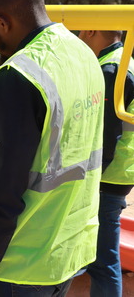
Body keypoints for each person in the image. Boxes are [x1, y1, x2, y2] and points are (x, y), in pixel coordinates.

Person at [0, 0, 105, 297]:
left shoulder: (18, 76)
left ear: (2, 22)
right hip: (66, 253)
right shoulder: (84, 56)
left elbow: (1, 196)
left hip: (18, 265)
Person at [79, 30, 134, 297]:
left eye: (80, 30)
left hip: (107, 175)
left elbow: (106, 134)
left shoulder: (111, 69)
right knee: (103, 258)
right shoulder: (124, 61)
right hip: (120, 171)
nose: (79, 35)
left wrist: (87, 178)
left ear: (92, 31)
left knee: (102, 262)